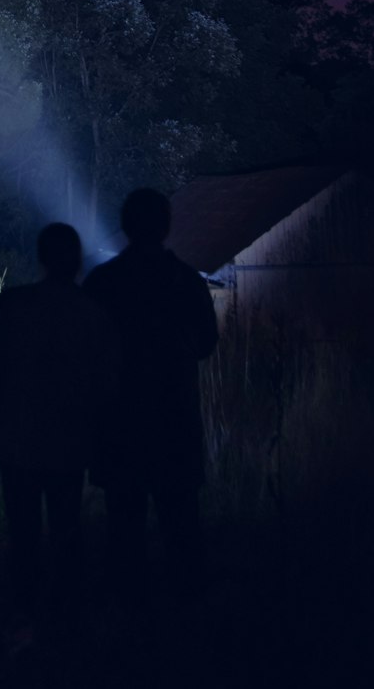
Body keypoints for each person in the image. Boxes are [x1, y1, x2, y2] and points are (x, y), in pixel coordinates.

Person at [0, 222, 115, 644]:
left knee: (23, 532)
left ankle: (25, 613)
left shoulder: (14, 304)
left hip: (17, 441)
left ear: (41, 257)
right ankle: (65, 620)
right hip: (68, 445)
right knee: (65, 527)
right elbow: (107, 381)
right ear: (75, 262)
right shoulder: (91, 312)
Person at [83, 187, 218, 600]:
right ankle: (185, 625)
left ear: (124, 227)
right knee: (181, 531)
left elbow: (86, 351)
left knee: (125, 532)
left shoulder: (103, 283)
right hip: (174, 426)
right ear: (166, 226)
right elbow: (207, 344)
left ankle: (128, 626)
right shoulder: (187, 282)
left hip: (120, 428)